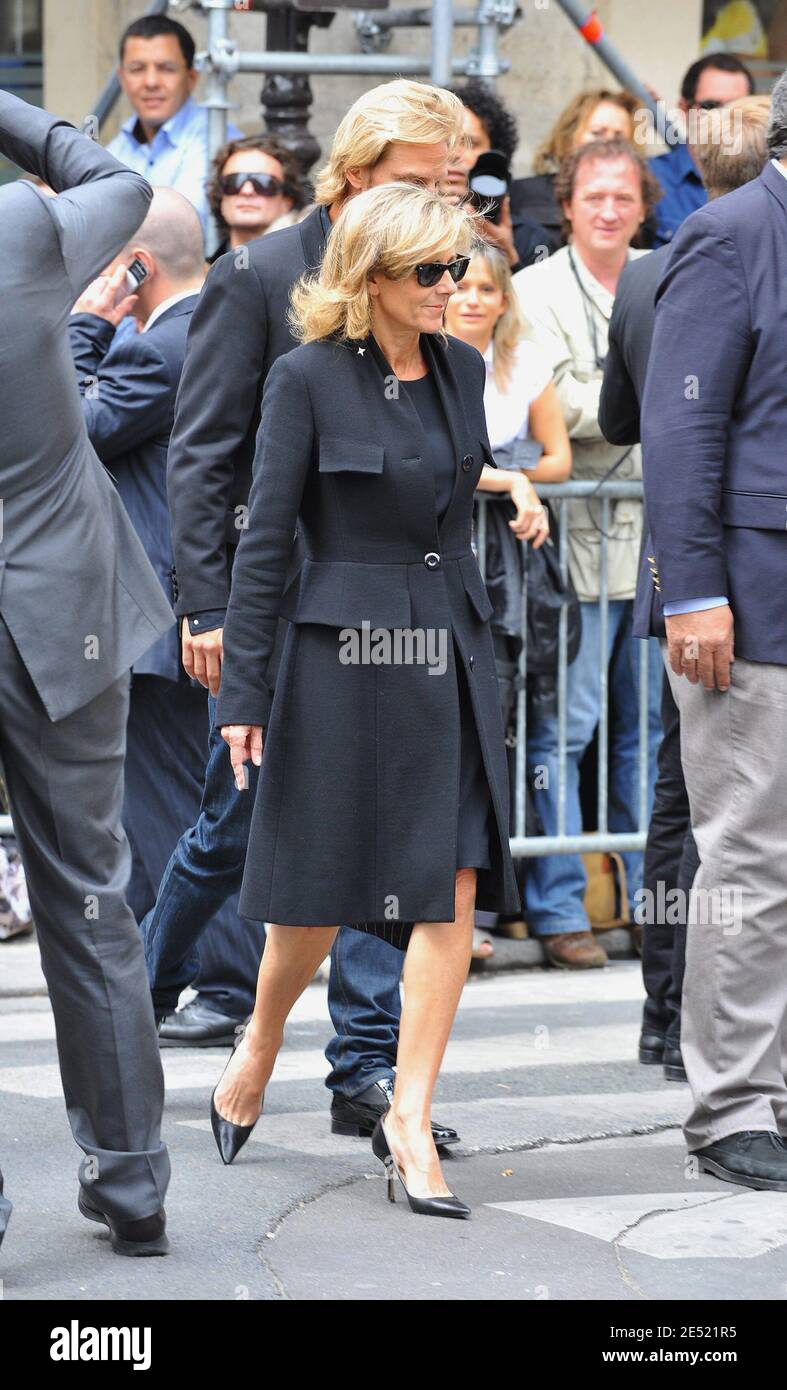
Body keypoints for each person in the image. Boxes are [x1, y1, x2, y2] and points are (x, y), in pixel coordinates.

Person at [144, 80, 465, 1150]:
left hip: (400, 627)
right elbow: (205, 451)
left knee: (398, 852)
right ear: (359, 172)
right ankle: (158, 1008)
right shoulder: (262, 273)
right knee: (243, 833)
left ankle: (366, 1070)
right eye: (421, 179)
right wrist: (208, 607)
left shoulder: (433, 290)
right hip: (276, 612)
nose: (443, 201)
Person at [211, 183, 520, 1218]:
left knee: (452, 882)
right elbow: (263, 548)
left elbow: (444, 481)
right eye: (430, 272)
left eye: (460, 269)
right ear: (370, 278)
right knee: (320, 888)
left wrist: (514, 486)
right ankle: (260, 1039)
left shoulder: (462, 369)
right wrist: (241, 695)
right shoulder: (303, 379)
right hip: (338, 656)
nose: (453, 288)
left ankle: (408, 1116)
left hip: (449, 649)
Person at [0, 91, 174, 1256]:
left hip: (60, 608)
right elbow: (114, 174)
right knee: (91, 897)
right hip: (62, 616)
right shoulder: (22, 227)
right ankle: (134, 1185)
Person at [599, 93, 770, 1085]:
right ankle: (702, 1047)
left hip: (691, 575)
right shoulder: (714, 253)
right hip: (712, 585)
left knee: (683, 806)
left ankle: (666, 1019)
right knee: (721, 824)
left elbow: (624, 418)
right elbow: (668, 425)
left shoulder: (652, 272)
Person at [66, 189, 264, 1043]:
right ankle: (186, 978)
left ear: (135, 265)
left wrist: (83, 327)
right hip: (197, 606)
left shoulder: (159, 346)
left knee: (176, 809)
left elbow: (70, 428)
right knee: (196, 803)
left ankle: (212, 983)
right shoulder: (212, 331)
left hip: (163, 613)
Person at [640, 71, 787, 1193]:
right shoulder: (728, 233)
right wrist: (691, 588)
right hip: (749, 601)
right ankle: (733, 1104)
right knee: (749, 858)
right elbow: (680, 426)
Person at [513, 139, 663, 969]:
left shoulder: (664, 274)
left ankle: (650, 903)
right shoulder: (532, 290)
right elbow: (561, 406)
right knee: (562, 733)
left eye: (623, 197)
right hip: (570, 549)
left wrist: (610, 397)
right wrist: (635, 399)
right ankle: (559, 907)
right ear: (566, 205)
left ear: (642, 204)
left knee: (642, 733)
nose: (609, 210)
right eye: (593, 196)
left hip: (651, 548)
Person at [445, 246, 572, 958]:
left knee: (507, 724)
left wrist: (508, 472)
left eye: (484, 288)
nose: (470, 297)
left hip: (504, 569)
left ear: (502, 300)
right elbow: (433, 458)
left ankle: (485, 913)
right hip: (438, 555)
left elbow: (559, 457)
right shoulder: (421, 358)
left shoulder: (519, 361)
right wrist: (507, 482)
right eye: (459, 284)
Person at [107, 13, 242, 235]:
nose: (151, 82)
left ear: (191, 78)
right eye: (137, 69)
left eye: (166, 68)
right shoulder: (114, 150)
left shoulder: (220, 143)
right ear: (122, 78)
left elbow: (182, 228)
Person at [446, 80, 558, 268]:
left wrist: (507, 255)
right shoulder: (397, 225)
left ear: (494, 152)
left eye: (470, 143)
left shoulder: (531, 239)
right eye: (446, 141)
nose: (455, 154)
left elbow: (543, 297)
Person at [648, 52, 754, 247]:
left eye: (738, 106)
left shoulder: (769, 181)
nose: (724, 117)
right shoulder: (649, 178)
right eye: (711, 106)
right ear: (684, 109)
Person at [512, 89, 640, 247]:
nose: (608, 144)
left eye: (619, 138)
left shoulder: (636, 204)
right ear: (569, 137)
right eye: (597, 133)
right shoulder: (523, 195)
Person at [206, 133, 308, 262]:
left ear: (287, 201)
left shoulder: (310, 276)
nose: (246, 191)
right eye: (233, 182)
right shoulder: (201, 277)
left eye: (264, 183)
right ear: (221, 198)